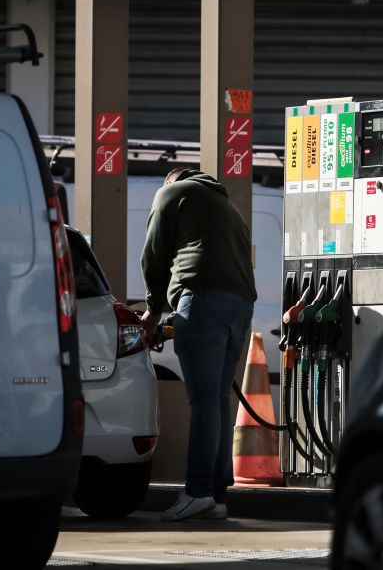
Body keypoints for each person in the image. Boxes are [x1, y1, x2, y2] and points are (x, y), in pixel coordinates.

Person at [140, 167, 257, 521]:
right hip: (239, 306)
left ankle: (198, 490)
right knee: (218, 400)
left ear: (170, 181)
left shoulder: (170, 194)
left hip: (203, 299)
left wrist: (152, 310)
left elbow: (154, 256)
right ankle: (217, 495)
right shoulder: (224, 203)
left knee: (205, 401)